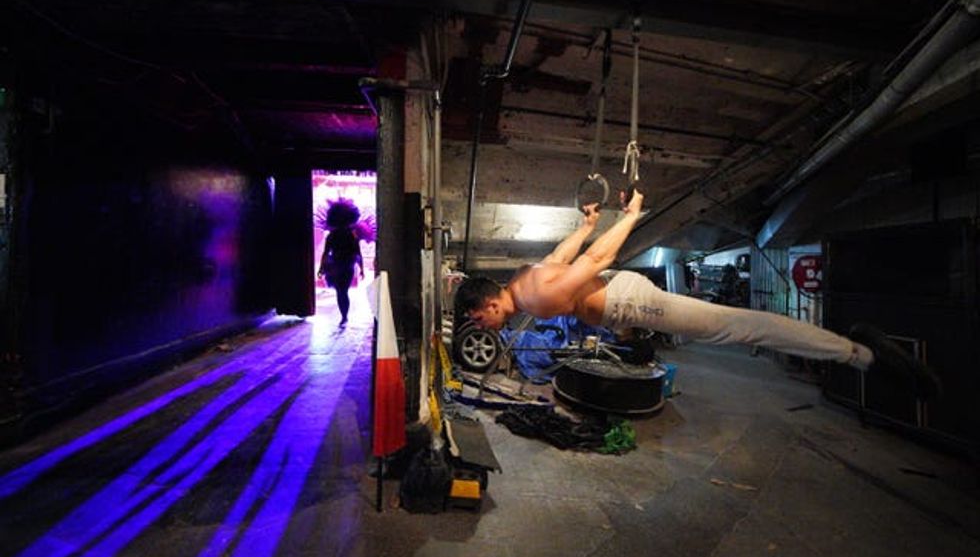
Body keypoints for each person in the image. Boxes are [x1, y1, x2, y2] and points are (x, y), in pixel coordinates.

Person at [455, 191, 942, 398]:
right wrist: (586, 224)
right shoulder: (524, 277)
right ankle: (852, 350)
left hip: (630, 301)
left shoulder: (535, 297)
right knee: (732, 326)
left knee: (735, 326)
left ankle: (858, 354)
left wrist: (629, 217)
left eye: (480, 321)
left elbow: (594, 264)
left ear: (487, 305)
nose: (485, 328)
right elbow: (564, 255)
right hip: (624, 298)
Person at [318, 198, 365, 327]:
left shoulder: (331, 236)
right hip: (348, 265)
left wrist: (321, 268)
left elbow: (326, 253)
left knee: (340, 291)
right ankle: (344, 315)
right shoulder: (352, 235)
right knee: (343, 291)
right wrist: (362, 269)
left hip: (336, 265)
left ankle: (344, 315)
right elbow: (358, 253)